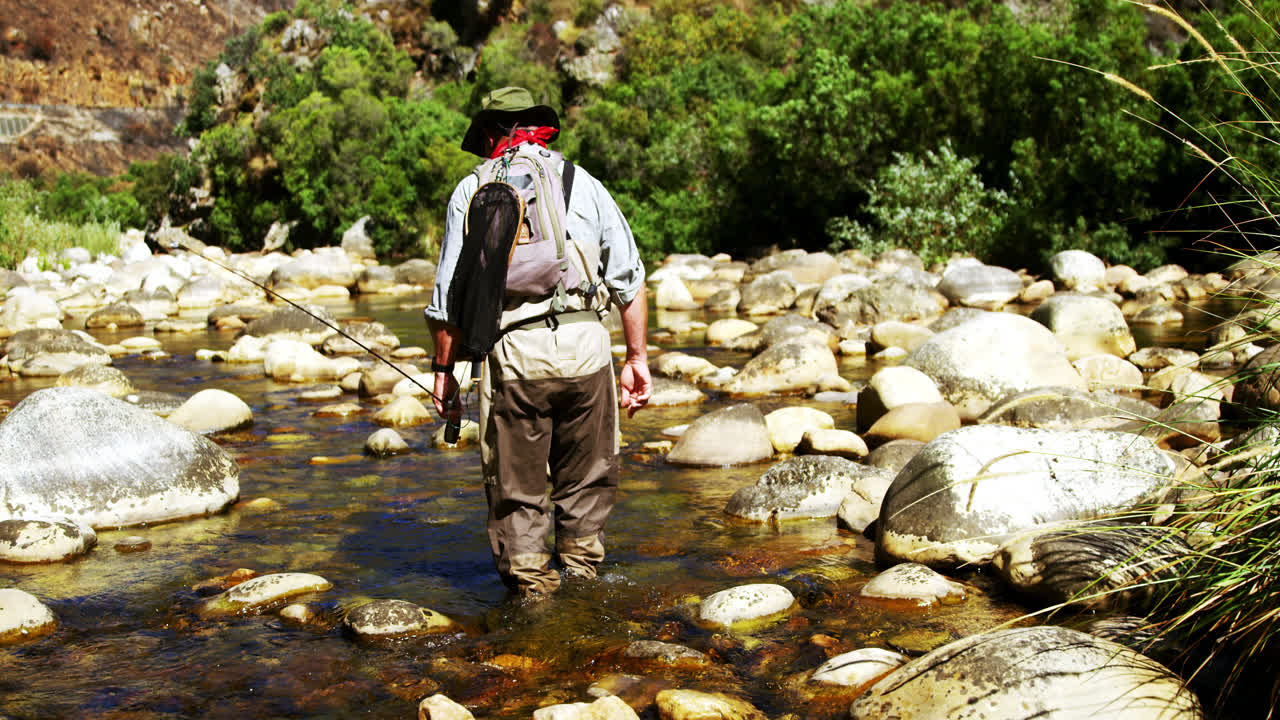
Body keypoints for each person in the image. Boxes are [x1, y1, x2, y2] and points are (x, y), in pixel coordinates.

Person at [424, 87, 652, 599]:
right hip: (587, 350)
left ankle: (533, 601)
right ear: (536, 125)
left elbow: (446, 302)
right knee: (588, 478)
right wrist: (637, 359)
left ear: (490, 133)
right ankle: (583, 581)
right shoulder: (582, 181)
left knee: (517, 492)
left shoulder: (472, 189)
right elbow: (629, 280)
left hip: (515, 359)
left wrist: (445, 375)